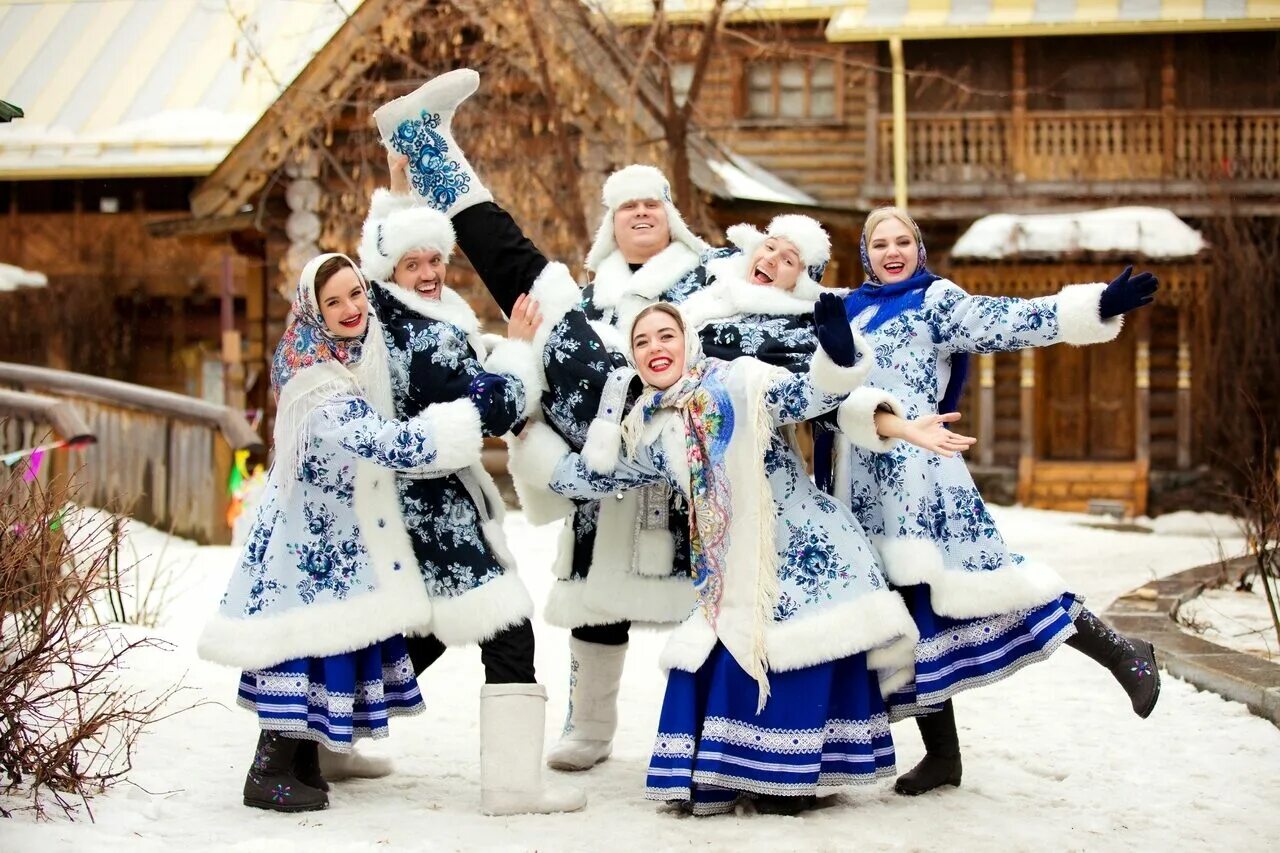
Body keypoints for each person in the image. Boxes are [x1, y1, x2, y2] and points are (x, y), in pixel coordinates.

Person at [371, 68, 728, 772]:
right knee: (596, 607)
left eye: (652, 204)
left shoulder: (712, 281)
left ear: (674, 218)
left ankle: (713, 736)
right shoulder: (595, 298)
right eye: (626, 209)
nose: (641, 215)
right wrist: (526, 347)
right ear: (611, 227)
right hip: (598, 452)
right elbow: (536, 394)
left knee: (708, 609)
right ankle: (587, 730)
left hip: (670, 451)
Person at [508, 297, 927, 815]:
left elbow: (807, 396)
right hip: (727, 570)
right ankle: (744, 771)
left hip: (802, 556)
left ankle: (796, 776)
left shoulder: (741, 382)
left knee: (794, 657)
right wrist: (526, 436)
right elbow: (595, 477)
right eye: (641, 342)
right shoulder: (648, 426)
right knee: (717, 656)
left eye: (666, 336)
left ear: (687, 340)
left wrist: (838, 358)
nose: (655, 348)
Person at [829, 206, 1163, 796]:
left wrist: (1090, 310)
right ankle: (943, 757)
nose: (892, 251)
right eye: (880, 243)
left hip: (924, 480)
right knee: (912, 618)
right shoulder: (847, 309)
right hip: (862, 485)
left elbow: (1006, 319)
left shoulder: (936, 300)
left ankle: (1123, 654)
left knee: (1002, 583)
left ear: (919, 248)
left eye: (902, 240)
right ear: (865, 254)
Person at [199, 254, 471, 812]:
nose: (351, 309)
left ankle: (300, 762)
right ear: (312, 311)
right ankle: (267, 772)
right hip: (308, 539)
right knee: (301, 643)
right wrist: (460, 427)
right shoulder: (311, 374)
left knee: (326, 644)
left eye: (355, 294)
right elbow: (380, 442)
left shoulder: (351, 349)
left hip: (338, 535)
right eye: (334, 302)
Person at [354, 182, 585, 814]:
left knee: (423, 633)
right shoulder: (418, 334)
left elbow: (452, 364)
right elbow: (494, 402)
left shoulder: (389, 311)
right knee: (506, 625)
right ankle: (514, 787)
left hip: (417, 506)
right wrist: (513, 348)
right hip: (437, 511)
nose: (430, 273)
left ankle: (328, 732)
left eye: (436, 259)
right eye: (414, 263)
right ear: (390, 269)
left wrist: (399, 181)